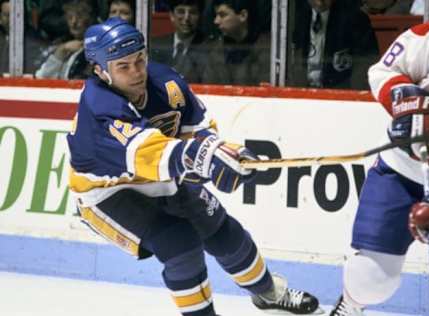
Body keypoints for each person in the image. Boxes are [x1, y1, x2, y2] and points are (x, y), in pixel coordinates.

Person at [67, 17, 321, 316]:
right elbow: (150, 154)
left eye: (140, 59)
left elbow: (197, 129)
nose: (137, 72)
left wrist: (225, 153)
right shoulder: (99, 108)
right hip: (108, 192)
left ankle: (268, 294)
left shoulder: (166, 83)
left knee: (224, 232)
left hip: (162, 177)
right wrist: (203, 158)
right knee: (180, 244)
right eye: (123, 66)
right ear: (100, 71)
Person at [329, 16, 429, 315]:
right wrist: (403, 97)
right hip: (404, 169)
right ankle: (351, 304)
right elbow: (384, 69)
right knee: (370, 278)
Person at [290, 0, 379, 89]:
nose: (320, 2)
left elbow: (366, 62)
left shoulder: (356, 19)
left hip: (338, 94)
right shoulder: (291, 17)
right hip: (301, 93)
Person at [202, 0, 271, 85]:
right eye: (216, 15)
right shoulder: (216, 50)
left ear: (243, 16)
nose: (216, 21)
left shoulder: (268, 50)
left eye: (222, 15)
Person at [35, 0, 96, 79]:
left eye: (79, 17)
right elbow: (42, 78)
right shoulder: (63, 44)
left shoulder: (95, 50)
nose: (74, 22)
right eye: (70, 17)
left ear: (90, 19)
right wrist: (61, 50)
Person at [150, 0, 208, 83]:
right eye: (181, 12)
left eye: (192, 12)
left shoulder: (209, 47)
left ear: (200, 16)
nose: (186, 18)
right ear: (172, 15)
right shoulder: (156, 44)